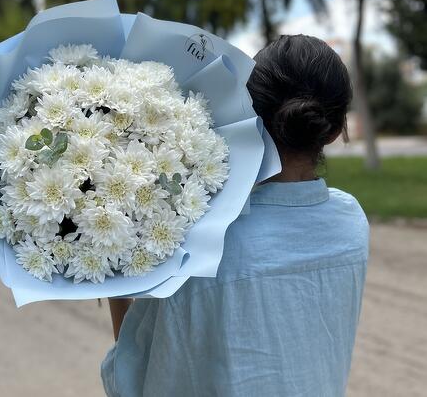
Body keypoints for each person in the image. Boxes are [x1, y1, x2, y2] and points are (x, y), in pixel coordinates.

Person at [101, 34, 369, 397]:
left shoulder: (205, 244)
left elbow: (129, 381)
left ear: (248, 114)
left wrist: (116, 277)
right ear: (336, 130)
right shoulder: (352, 222)